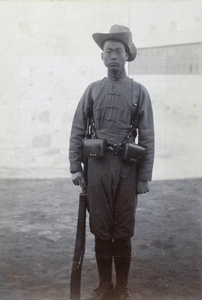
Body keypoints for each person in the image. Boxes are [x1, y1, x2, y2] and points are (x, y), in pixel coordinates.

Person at [69, 25, 154, 300]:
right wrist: (75, 167)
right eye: (109, 52)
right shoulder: (92, 91)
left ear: (127, 55)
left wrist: (143, 178)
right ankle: (105, 285)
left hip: (128, 171)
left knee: (124, 230)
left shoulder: (139, 92)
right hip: (97, 169)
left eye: (119, 51)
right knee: (101, 229)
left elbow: (148, 137)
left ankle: (123, 288)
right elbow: (78, 131)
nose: (114, 56)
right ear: (102, 58)